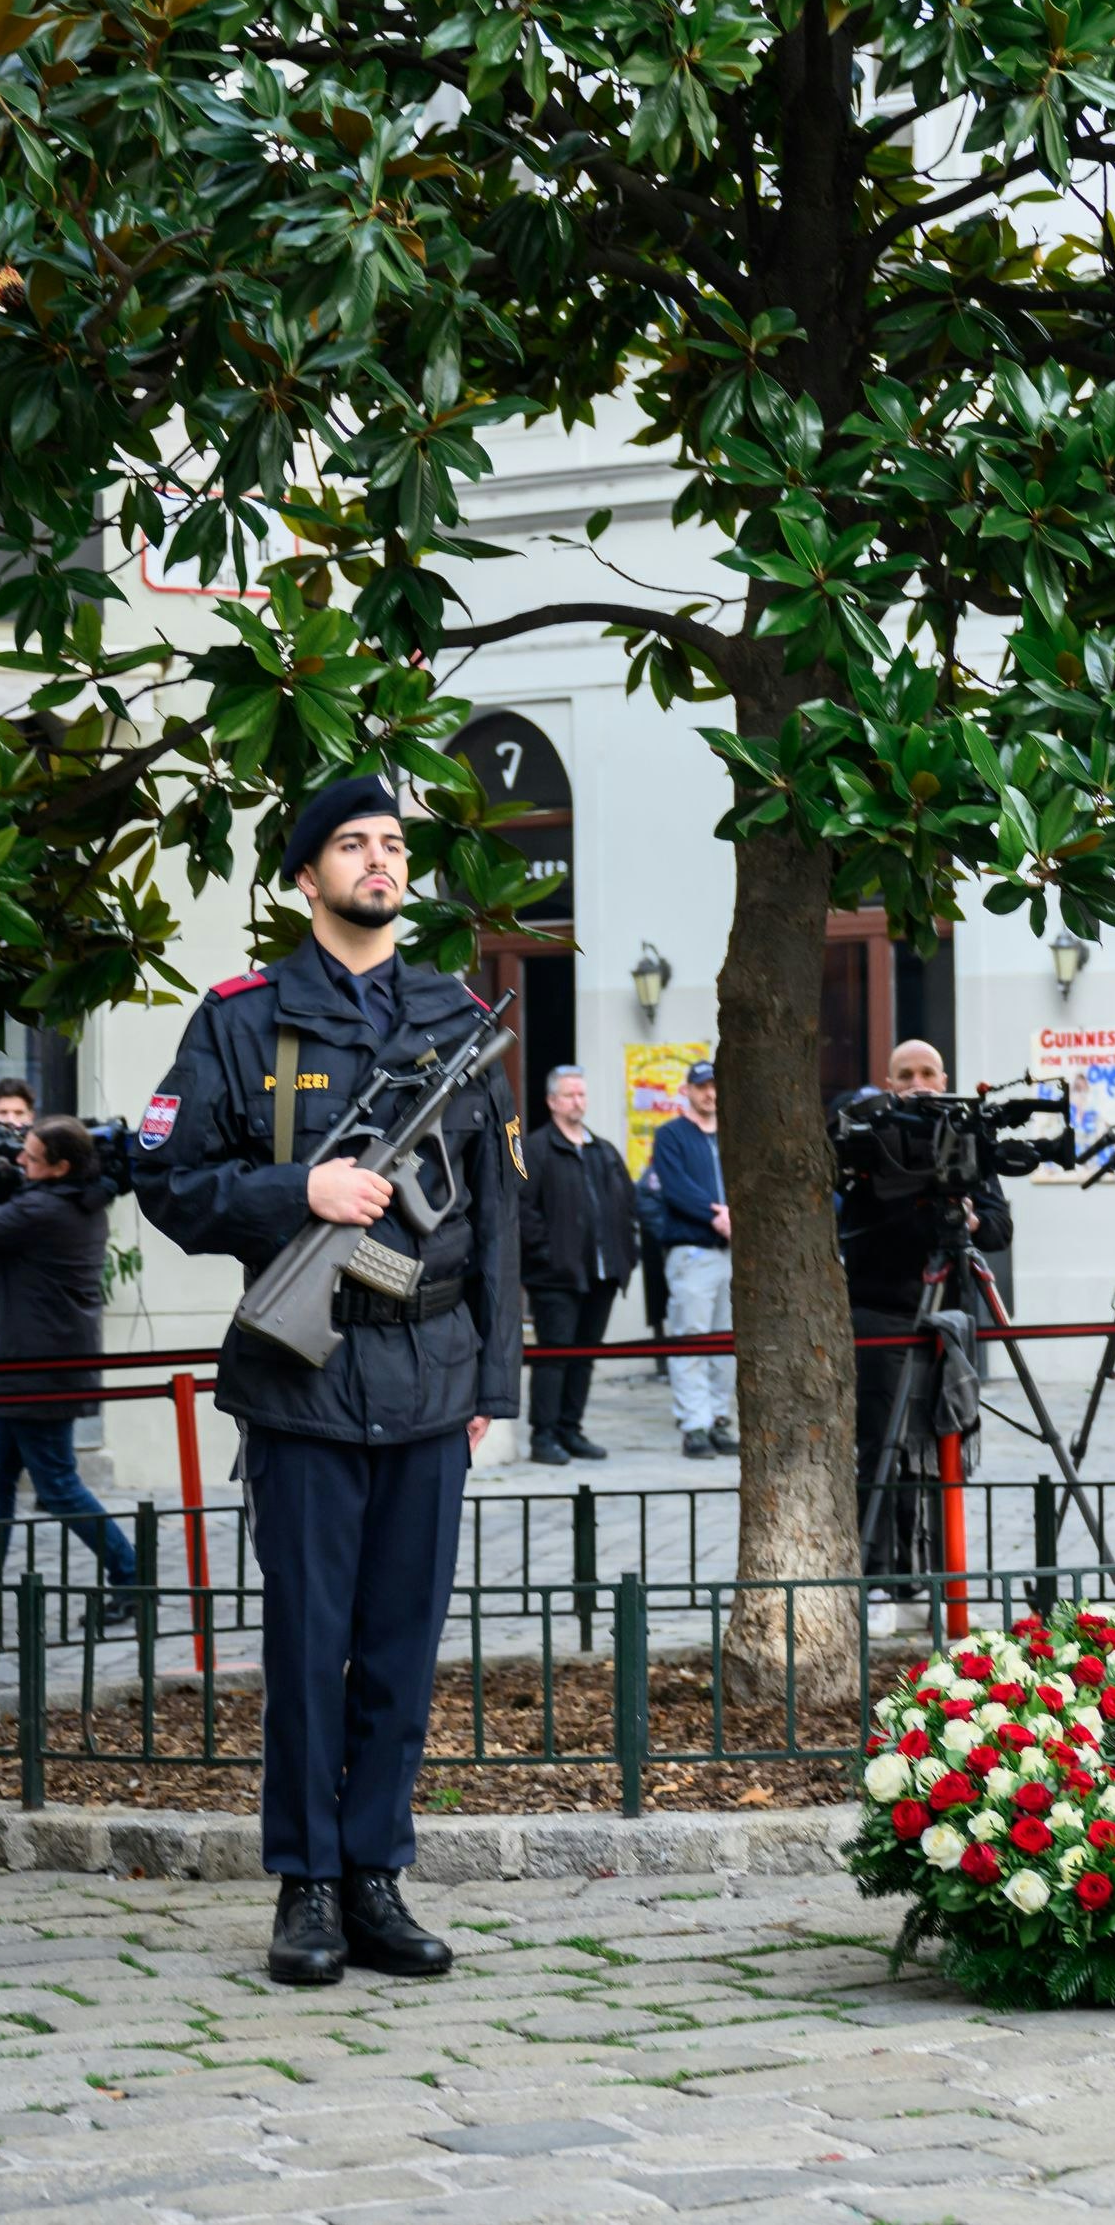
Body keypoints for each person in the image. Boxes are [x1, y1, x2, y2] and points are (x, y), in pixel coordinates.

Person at [131, 775, 522, 1987]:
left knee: (403, 1645)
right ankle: (304, 1883)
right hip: (303, 1374)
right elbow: (169, 1182)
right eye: (352, 845)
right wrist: (294, 1193)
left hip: (428, 1372)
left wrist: (490, 1391)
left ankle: (375, 1876)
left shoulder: (455, 1014)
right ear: (306, 878)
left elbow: (501, 1218)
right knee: (310, 1642)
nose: (379, 862)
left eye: (394, 845)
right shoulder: (243, 1018)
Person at [0, 1116, 141, 1631]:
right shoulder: (73, 1198)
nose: (20, 1160)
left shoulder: (47, 1209)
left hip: (37, 1372)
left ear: (61, 1166)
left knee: (59, 1485)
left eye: (31, 1156)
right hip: (22, 1369)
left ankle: (134, 1580)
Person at [844, 1039, 1009, 1582]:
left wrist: (971, 1220)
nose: (918, 1082)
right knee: (884, 1450)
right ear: (889, 1083)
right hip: (882, 1312)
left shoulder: (966, 1137)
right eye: (905, 1074)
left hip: (951, 1319)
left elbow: (1000, 1226)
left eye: (928, 1073)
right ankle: (883, 1578)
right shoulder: (872, 1142)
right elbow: (857, 1225)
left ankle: (943, 1576)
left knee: (945, 1448)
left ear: (944, 1078)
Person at [521, 1064, 644, 1465]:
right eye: (571, 1095)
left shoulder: (603, 1150)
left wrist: (628, 1250)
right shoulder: (536, 1149)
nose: (579, 1101)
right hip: (556, 1276)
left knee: (585, 1356)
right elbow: (523, 1210)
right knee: (554, 1355)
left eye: (582, 1094)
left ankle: (571, 1429)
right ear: (552, 1102)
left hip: (602, 1274)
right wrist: (548, 1255)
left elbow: (627, 1203)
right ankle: (545, 1435)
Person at [633, 1062, 729, 1460]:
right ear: (687, 1090)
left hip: (731, 1252)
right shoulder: (671, 1134)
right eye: (702, 1086)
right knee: (691, 1339)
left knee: (726, 1343)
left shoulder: (730, 1134)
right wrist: (716, 1215)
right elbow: (673, 1188)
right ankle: (694, 1426)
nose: (710, 1093)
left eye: (714, 1086)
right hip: (694, 1252)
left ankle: (721, 1419)